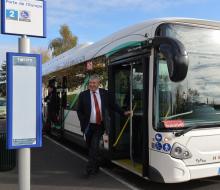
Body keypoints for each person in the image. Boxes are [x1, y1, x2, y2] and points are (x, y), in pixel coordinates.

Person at [77, 75, 131, 176]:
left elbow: (113, 105)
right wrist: (83, 121)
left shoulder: (105, 94)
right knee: (90, 146)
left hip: (99, 125)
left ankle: (89, 169)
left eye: (94, 83)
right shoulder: (83, 95)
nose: (92, 85)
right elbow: (79, 110)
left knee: (94, 146)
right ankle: (96, 165)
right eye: (90, 83)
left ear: (98, 84)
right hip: (88, 126)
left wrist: (123, 113)